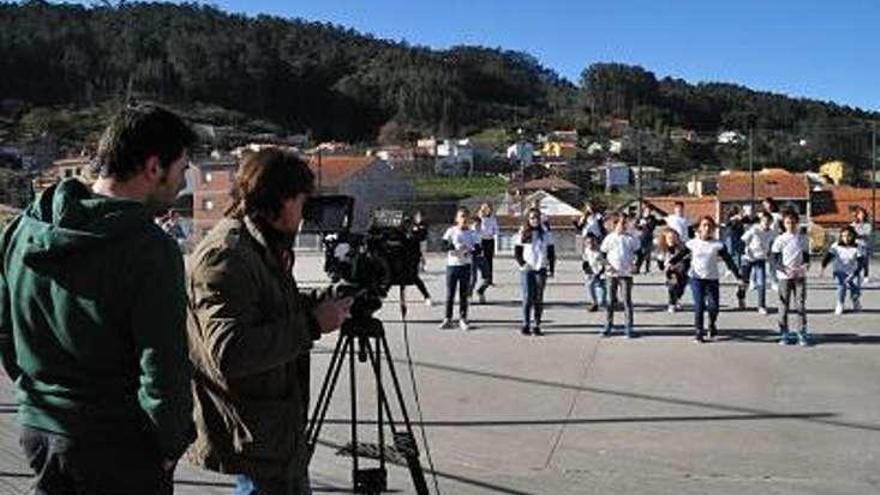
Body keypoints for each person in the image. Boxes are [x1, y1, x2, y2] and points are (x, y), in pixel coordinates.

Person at [0, 104, 196, 493]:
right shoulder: (150, 250)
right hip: (119, 443)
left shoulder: (21, 230)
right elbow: (164, 366)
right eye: (182, 168)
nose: (184, 181)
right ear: (153, 167)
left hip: (40, 428)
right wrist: (170, 443)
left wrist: (37, 399)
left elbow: (6, 334)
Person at [186, 148, 353, 495]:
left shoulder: (258, 244)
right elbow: (229, 352)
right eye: (300, 200)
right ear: (279, 200)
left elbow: (265, 305)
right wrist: (312, 325)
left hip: (273, 433)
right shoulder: (228, 254)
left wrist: (316, 303)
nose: (304, 210)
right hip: (256, 435)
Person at [669, 216, 742, 343]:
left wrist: (738, 277)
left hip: (712, 279)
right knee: (699, 305)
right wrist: (670, 263)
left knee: (714, 307)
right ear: (699, 228)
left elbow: (729, 261)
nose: (707, 228)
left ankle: (712, 323)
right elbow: (680, 255)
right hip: (696, 279)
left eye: (710, 226)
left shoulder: (718, 245)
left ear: (713, 229)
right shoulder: (692, 243)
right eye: (704, 225)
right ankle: (699, 332)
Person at [771, 210, 812, 346]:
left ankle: (802, 333)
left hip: (799, 276)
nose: (791, 225)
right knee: (784, 305)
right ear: (784, 224)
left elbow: (806, 256)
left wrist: (805, 265)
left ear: (797, 223)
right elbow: (774, 260)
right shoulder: (780, 239)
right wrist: (784, 269)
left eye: (793, 222)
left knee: (800, 305)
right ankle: (784, 333)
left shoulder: (803, 238)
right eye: (788, 222)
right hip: (784, 277)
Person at [515, 208, 556, 336]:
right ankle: (526, 324)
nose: (535, 220)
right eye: (532, 218)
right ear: (528, 219)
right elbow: (517, 252)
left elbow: (551, 252)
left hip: (541, 268)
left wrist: (551, 268)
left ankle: (537, 325)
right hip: (527, 269)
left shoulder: (546, 233)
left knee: (538, 298)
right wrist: (523, 264)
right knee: (527, 298)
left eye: (537, 217)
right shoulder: (523, 232)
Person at [599, 213, 640, 338]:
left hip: (626, 274)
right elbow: (602, 255)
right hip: (612, 274)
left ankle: (629, 327)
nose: (623, 226)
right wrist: (607, 265)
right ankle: (608, 325)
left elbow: (640, 253)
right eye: (621, 223)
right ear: (615, 225)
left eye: (625, 223)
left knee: (627, 300)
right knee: (610, 301)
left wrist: (636, 265)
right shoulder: (609, 238)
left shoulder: (631, 238)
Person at [440, 207, 480, 331]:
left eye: (466, 216)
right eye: (461, 216)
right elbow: (443, 245)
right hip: (452, 266)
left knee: (464, 294)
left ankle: (463, 318)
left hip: (466, 266)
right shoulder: (451, 231)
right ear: (457, 218)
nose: (464, 219)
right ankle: (448, 318)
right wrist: (453, 247)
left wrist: (469, 250)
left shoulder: (472, 233)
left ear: (469, 219)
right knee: (450, 294)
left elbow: (478, 249)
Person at [737, 211, 777, 314]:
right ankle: (741, 297)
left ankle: (761, 306)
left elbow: (772, 243)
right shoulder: (754, 229)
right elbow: (742, 240)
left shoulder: (772, 233)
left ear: (771, 222)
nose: (766, 223)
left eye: (768, 221)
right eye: (764, 221)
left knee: (761, 283)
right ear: (761, 221)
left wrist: (769, 252)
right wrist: (746, 249)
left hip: (760, 259)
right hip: (748, 258)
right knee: (744, 282)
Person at [821, 226, 866, 315]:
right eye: (844, 236)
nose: (846, 238)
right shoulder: (836, 245)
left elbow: (861, 262)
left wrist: (855, 273)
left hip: (853, 271)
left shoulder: (858, 246)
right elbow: (828, 256)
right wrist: (823, 267)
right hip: (839, 271)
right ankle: (840, 303)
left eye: (849, 235)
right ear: (841, 236)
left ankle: (855, 300)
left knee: (856, 288)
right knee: (842, 286)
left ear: (853, 236)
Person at [656, 227, 689, 313]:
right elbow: (660, 263)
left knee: (681, 287)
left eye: (674, 238)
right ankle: (672, 303)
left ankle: (677, 298)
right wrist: (663, 267)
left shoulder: (681, 248)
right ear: (665, 239)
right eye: (669, 238)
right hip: (670, 271)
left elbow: (687, 259)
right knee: (672, 286)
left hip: (682, 271)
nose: (672, 240)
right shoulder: (663, 249)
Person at [409, 210, 433, 306]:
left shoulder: (424, 225)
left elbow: (422, 235)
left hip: (414, 254)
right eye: (418, 216)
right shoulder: (411, 225)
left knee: (414, 277)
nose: (419, 218)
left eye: (421, 216)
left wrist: (416, 230)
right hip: (405, 254)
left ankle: (426, 296)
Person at [582, 233, 607, 312]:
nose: (591, 244)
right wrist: (588, 271)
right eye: (588, 242)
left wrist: (599, 273)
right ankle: (594, 303)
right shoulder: (586, 250)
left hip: (602, 273)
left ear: (596, 242)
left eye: (593, 242)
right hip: (592, 272)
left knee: (602, 300)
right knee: (589, 284)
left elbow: (605, 264)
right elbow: (585, 262)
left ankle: (602, 302)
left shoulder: (600, 251)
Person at [469, 215, 490, 304]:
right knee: (473, 279)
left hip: (482, 256)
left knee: (487, 278)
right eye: (475, 225)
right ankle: (468, 295)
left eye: (479, 225)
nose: (477, 226)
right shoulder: (469, 234)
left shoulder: (482, 233)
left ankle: (480, 291)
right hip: (473, 257)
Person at [477, 202, 499, 288]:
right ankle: (483, 278)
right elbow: (475, 228)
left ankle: (489, 279)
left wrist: (493, 234)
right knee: (482, 260)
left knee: (489, 260)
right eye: (485, 208)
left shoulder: (493, 218)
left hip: (490, 240)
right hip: (481, 240)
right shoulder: (479, 219)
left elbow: (496, 229)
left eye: (488, 208)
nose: (487, 210)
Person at [851, 206, 873, 282]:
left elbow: (866, 233)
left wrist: (857, 233)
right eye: (859, 214)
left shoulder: (867, 224)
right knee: (855, 261)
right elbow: (850, 232)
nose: (861, 215)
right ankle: (855, 275)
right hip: (855, 245)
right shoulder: (854, 223)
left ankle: (866, 275)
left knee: (865, 261)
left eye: (862, 214)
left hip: (864, 245)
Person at [635, 207, 658, 274]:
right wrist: (639, 225)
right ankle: (637, 268)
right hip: (641, 237)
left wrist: (646, 224)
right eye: (647, 210)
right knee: (640, 253)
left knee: (648, 253)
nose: (648, 212)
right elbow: (636, 226)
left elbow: (652, 227)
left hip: (649, 237)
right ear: (644, 211)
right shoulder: (640, 217)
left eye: (649, 211)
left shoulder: (652, 218)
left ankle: (647, 268)